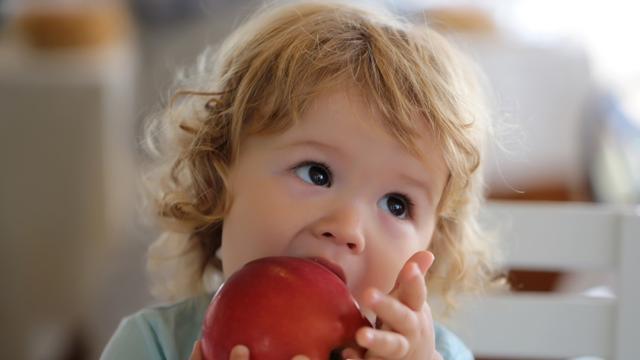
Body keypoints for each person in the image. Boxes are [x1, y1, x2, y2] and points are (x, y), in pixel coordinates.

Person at [101, 1, 500, 359]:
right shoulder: (151, 344)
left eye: (397, 204)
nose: (347, 229)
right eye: (317, 173)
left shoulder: (438, 356)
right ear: (219, 177)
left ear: (432, 247)